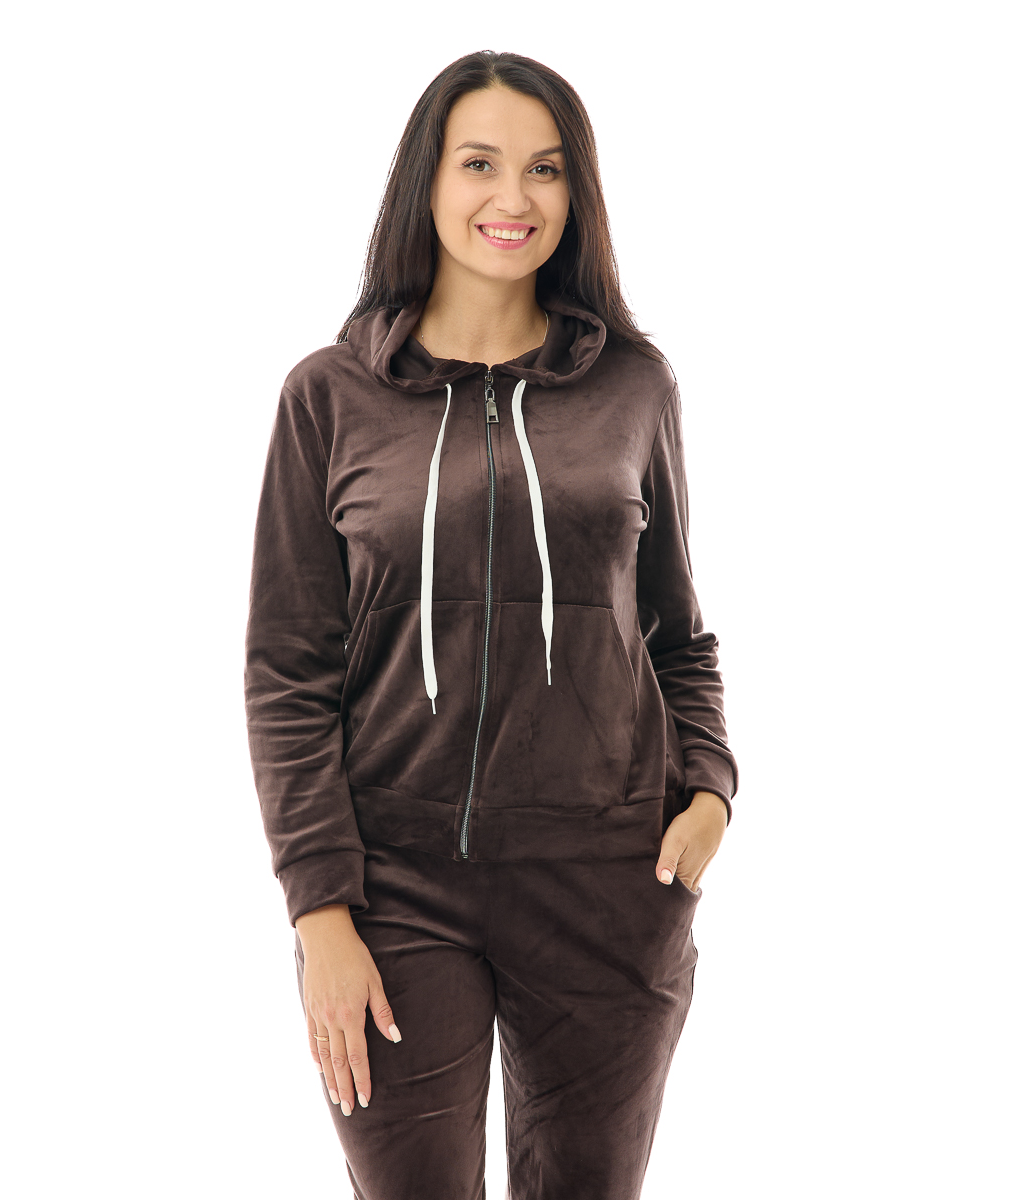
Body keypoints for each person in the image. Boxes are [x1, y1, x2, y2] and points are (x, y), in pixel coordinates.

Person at [244, 48, 739, 1200]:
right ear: (426, 180)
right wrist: (320, 909)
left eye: (546, 169)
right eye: (480, 164)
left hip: (608, 877)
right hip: (394, 885)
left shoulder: (633, 387)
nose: (513, 197)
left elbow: (677, 631)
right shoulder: (329, 396)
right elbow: (287, 670)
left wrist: (711, 791)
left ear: (577, 193)